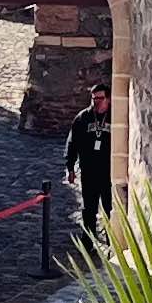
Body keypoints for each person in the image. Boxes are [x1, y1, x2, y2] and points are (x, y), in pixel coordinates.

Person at [60, 84, 113, 239]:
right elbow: (72, 143)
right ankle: (88, 239)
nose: (96, 102)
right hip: (89, 171)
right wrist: (70, 167)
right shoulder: (83, 118)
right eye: (93, 98)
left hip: (108, 171)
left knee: (110, 207)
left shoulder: (115, 117)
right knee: (89, 207)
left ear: (108, 99)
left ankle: (111, 240)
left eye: (100, 98)